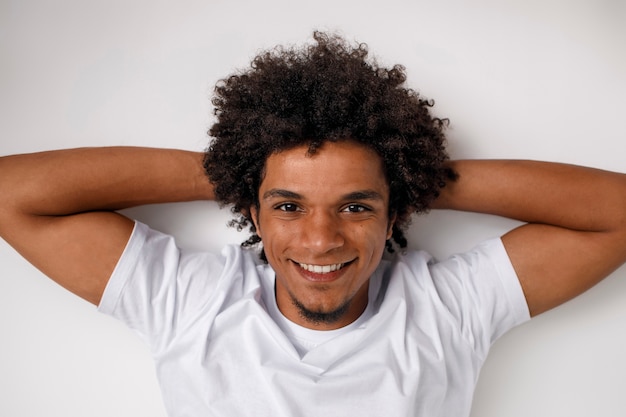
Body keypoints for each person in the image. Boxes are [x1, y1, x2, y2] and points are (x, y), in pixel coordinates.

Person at [1, 32, 625, 417]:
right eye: (288, 205)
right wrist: (242, 168)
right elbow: (10, 193)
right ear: (253, 210)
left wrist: (409, 173)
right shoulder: (188, 302)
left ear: (394, 214)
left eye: (356, 206)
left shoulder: (447, 309)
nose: (320, 240)